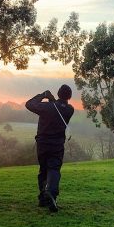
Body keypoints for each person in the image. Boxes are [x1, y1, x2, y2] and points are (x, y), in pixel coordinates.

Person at [25, 84, 74, 212]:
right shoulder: (70, 109)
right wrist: (53, 101)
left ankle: (43, 197)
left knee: (43, 169)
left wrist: (44, 95)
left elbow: (29, 104)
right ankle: (51, 192)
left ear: (58, 94)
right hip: (57, 144)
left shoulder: (47, 107)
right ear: (69, 96)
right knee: (54, 168)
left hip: (42, 143)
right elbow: (59, 107)